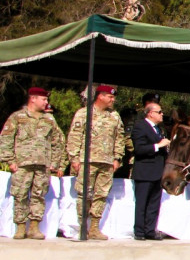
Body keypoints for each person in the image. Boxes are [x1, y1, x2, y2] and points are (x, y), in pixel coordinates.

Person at [0, 86, 65, 240]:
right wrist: (9, 160)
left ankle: (34, 228)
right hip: (22, 164)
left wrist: (55, 163)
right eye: (43, 99)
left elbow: (58, 142)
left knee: (39, 196)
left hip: (42, 165)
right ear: (33, 98)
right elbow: (6, 138)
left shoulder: (49, 119)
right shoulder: (18, 117)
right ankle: (20, 227)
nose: (46, 102)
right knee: (20, 195)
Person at [66, 84, 124, 241]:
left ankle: (94, 228)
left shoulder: (114, 116)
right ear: (100, 96)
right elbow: (74, 136)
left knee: (101, 195)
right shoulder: (84, 114)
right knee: (84, 194)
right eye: (110, 97)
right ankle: (83, 226)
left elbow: (119, 137)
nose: (113, 100)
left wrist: (117, 157)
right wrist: (75, 158)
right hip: (88, 161)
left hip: (106, 162)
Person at [130, 100, 171, 240]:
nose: (162, 114)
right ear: (150, 113)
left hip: (157, 172)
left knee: (154, 204)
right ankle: (140, 231)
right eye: (159, 112)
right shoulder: (140, 127)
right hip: (145, 171)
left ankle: (150, 230)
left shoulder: (159, 129)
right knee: (142, 203)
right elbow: (140, 149)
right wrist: (158, 145)